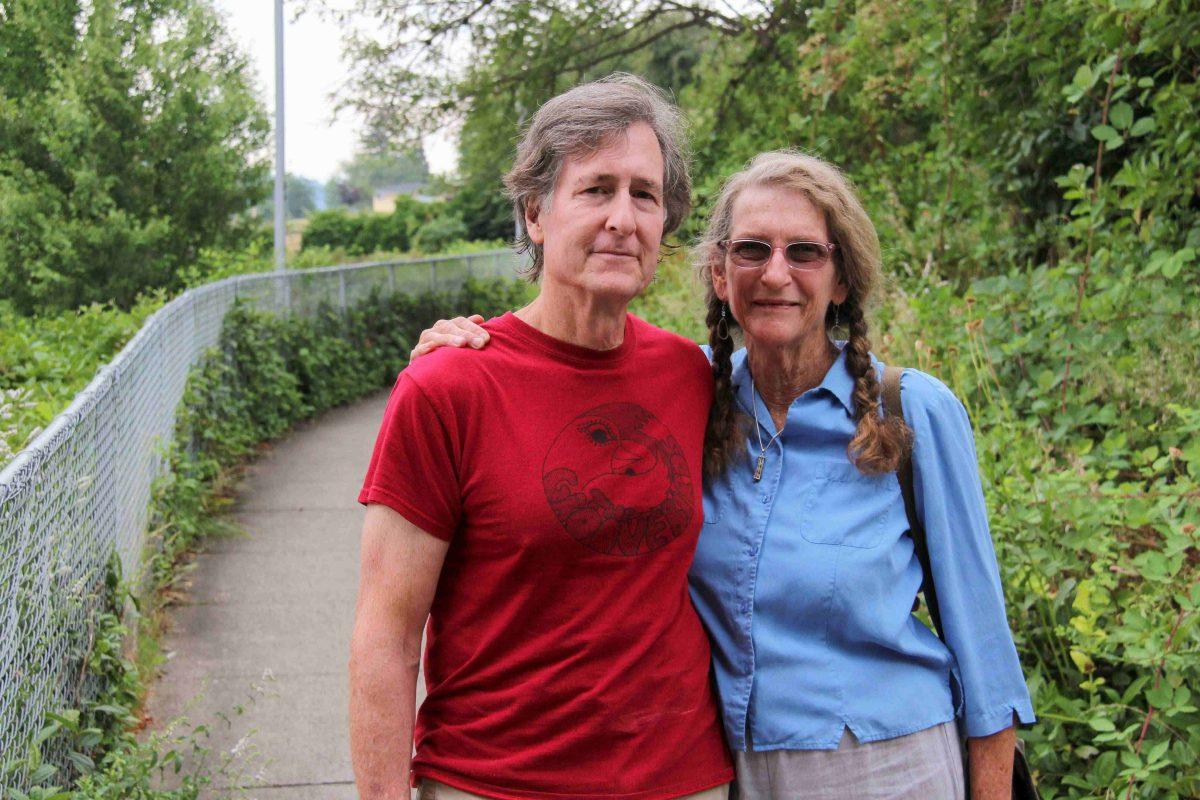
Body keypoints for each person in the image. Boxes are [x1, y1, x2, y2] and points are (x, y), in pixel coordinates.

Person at [416, 150, 1035, 799]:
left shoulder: (914, 412)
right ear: (718, 273)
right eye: (750, 250)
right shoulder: (685, 400)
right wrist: (461, 353)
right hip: (726, 774)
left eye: (804, 252)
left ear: (841, 279)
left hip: (885, 767)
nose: (776, 274)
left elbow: (986, 657)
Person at [349, 74, 734, 800]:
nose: (623, 217)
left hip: (684, 780)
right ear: (535, 212)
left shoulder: (690, 376)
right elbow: (386, 639)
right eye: (596, 190)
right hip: (495, 782)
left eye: (644, 195)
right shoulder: (448, 388)